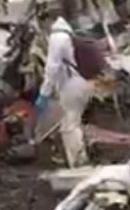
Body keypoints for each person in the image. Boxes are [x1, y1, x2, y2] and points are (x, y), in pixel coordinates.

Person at [34, 17, 94, 167]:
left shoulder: (58, 37)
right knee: (72, 123)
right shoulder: (70, 34)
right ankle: (78, 158)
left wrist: (44, 93)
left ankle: (79, 164)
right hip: (82, 82)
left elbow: (52, 67)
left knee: (70, 126)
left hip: (72, 84)